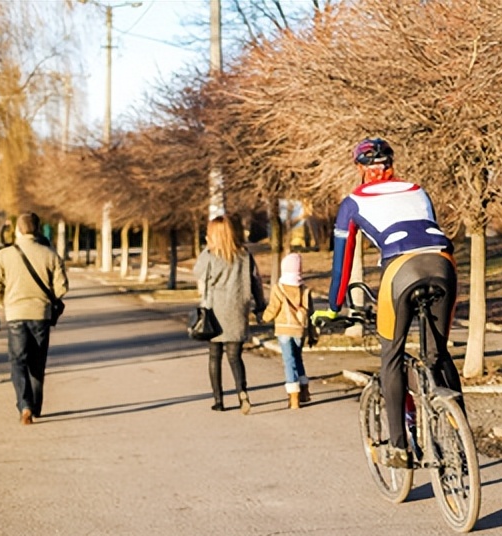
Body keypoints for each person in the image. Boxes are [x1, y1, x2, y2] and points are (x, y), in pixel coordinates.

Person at [312, 137, 462, 468]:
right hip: (443, 264)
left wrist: (334, 307)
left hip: (399, 270)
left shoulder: (352, 202)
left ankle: (398, 448)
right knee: (438, 353)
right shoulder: (418, 189)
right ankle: (461, 434)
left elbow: (343, 262)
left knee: (391, 354)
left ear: (359, 168)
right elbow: (429, 231)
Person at [0, 212, 69, 424]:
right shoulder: (50, 254)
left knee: (18, 361)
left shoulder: (4, 255)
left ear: (18, 230)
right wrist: (47, 298)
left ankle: (24, 405)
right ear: (38, 229)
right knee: (37, 361)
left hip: (15, 314)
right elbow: (62, 287)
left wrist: (6, 305)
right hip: (40, 314)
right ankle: (36, 406)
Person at [193, 216, 265, 414]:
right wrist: (260, 306)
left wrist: (208, 248)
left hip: (215, 312)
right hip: (237, 310)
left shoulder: (209, 255)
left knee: (214, 356)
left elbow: (197, 274)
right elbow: (256, 282)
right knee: (235, 356)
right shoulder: (244, 255)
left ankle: (219, 400)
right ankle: (242, 393)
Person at [262, 253, 313, 409]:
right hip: (299, 330)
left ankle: (294, 397)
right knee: (298, 359)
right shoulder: (304, 290)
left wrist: (264, 317)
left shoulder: (279, 288)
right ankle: (304, 390)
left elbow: (273, 308)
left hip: (284, 329)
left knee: (288, 361)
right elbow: (309, 312)